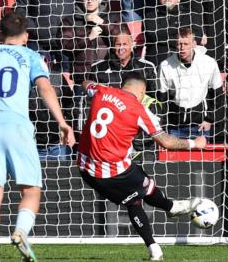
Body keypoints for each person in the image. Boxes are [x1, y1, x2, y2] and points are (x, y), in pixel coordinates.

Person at [0, 13, 75, 262]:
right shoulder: (30, 55)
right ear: (25, 35)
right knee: (31, 189)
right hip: (16, 124)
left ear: (0, 34)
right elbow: (45, 87)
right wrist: (62, 123)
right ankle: (21, 232)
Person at [78, 72, 206, 261]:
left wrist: (91, 84)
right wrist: (194, 144)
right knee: (146, 186)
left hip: (85, 167)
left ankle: (154, 249)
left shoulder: (100, 91)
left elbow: (85, 83)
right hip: (113, 170)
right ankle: (172, 207)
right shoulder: (140, 110)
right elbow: (166, 142)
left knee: (133, 200)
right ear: (142, 91)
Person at [158, 27, 224, 139]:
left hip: (200, 126)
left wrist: (209, 119)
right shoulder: (165, 65)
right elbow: (162, 99)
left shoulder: (209, 63)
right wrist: (164, 124)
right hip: (174, 127)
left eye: (186, 44)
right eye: (179, 44)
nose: (182, 48)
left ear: (194, 44)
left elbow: (217, 95)